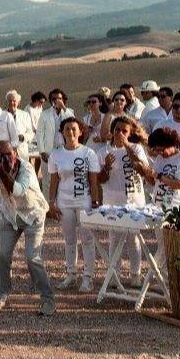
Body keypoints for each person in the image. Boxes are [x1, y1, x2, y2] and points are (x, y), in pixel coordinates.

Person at [0, 140, 55, 315]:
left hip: (32, 216)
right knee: (3, 257)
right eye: (0, 154)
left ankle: (47, 300)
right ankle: (1, 296)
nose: (4, 158)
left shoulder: (26, 168)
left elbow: (18, 190)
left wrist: (0, 171)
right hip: (11, 216)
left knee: (32, 258)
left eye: (7, 153)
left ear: (15, 152)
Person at [47, 118, 101, 292]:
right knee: (69, 240)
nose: (70, 132)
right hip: (64, 201)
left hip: (84, 201)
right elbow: (54, 181)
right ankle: (71, 274)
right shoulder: (56, 154)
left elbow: (93, 181)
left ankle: (88, 277)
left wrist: (94, 202)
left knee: (87, 239)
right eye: (67, 129)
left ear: (80, 132)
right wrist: (51, 202)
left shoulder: (88, 153)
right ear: (62, 132)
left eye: (74, 129)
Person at [97, 116, 150, 281]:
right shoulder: (103, 151)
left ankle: (135, 274)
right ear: (112, 131)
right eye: (117, 130)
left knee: (133, 238)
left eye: (124, 131)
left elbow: (144, 171)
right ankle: (114, 275)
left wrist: (127, 146)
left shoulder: (137, 148)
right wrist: (106, 167)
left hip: (134, 201)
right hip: (112, 201)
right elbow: (99, 180)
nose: (120, 133)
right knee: (114, 239)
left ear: (130, 133)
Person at [139, 127, 180, 209]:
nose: (159, 153)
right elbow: (153, 182)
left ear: (170, 144)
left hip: (173, 208)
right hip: (157, 206)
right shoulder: (159, 158)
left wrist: (159, 176)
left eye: (161, 150)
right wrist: (145, 173)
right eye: (156, 151)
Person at [36, 88, 75, 192]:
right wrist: (42, 151)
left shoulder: (68, 112)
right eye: (54, 98)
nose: (56, 100)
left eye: (59, 98)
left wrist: (63, 107)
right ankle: (48, 206)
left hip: (65, 150)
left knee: (64, 177)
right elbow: (39, 133)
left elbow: (73, 122)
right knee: (47, 180)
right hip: (49, 151)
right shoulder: (45, 114)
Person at [6, 90, 36, 163]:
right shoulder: (2, 116)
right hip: (7, 153)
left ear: (18, 102)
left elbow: (31, 133)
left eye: (14, 101)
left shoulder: (25, 115)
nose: (12, 103)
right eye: (9, 101)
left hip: (22, 152)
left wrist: (23, 137)